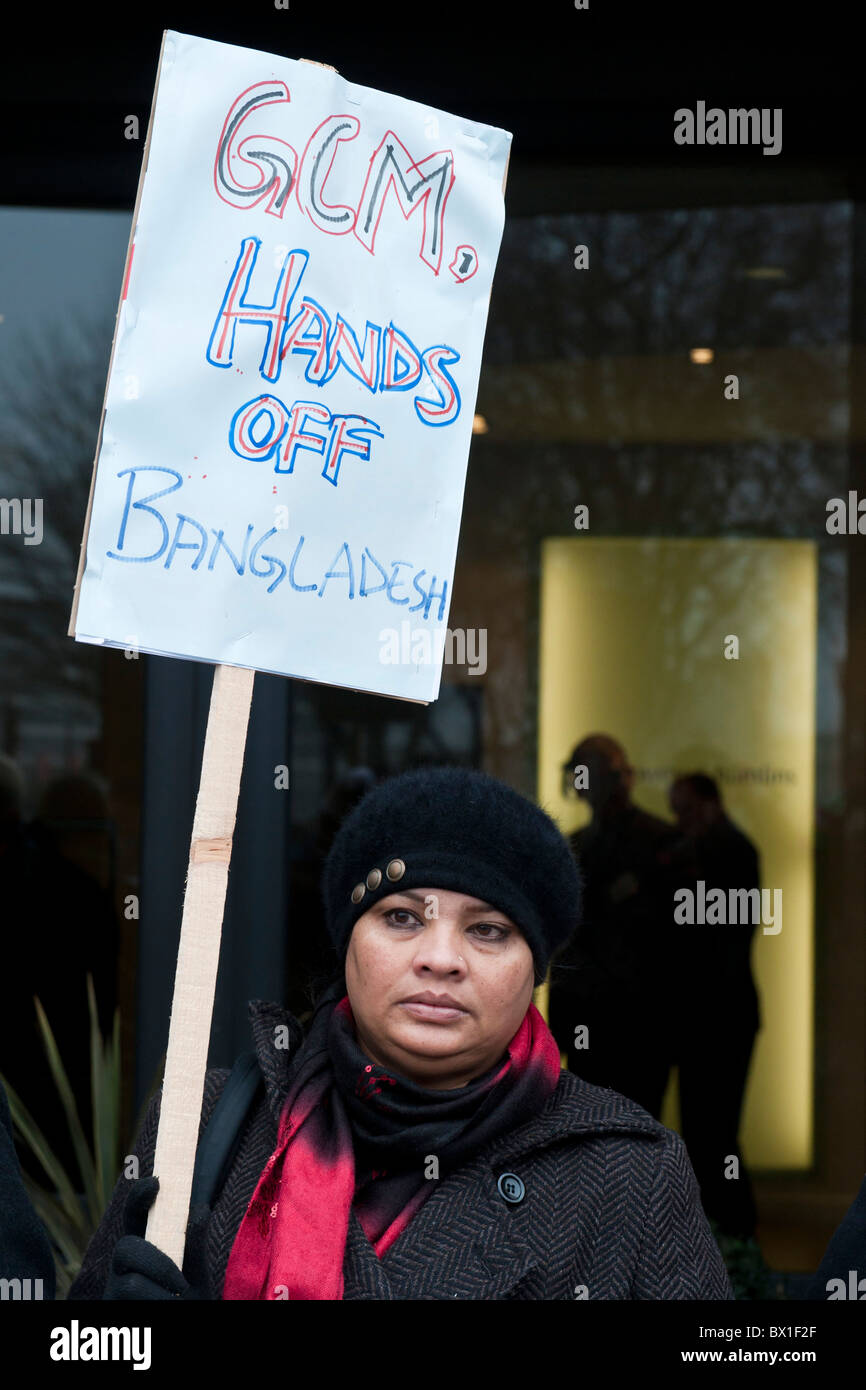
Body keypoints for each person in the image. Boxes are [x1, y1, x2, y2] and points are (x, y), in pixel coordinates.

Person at [68, 764, 731, 1300]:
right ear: (347, 943)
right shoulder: (204, 1121)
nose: (440, 959)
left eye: (488, 930)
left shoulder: (631, 1174)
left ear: (536, 970)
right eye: (404, 919)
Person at [548, 735, 680, 1118]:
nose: (579, 783)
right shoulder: (580, 847)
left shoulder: (658, 844)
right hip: (605, 1021)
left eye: (584, 773)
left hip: (638, 1024)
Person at [666, 772, 761, 1238]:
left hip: (716, 1017)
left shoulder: (727, 853)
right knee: (711, 1131)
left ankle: (732, 1232)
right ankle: (730, 1236)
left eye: (684, 810)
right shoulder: (726, 850)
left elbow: (720, 936)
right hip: (716, 1015)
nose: (679, 822)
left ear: (708, 804)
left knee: (712, 1131)